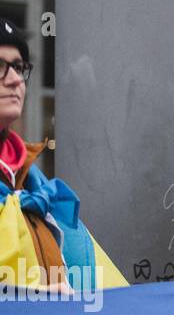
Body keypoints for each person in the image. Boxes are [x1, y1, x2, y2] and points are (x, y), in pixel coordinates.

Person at [0, 21, 126, 292]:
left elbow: (107, 288)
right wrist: (35, 299)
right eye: (0, 67)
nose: (14, 79)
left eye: (19, 67)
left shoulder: (34, 183)